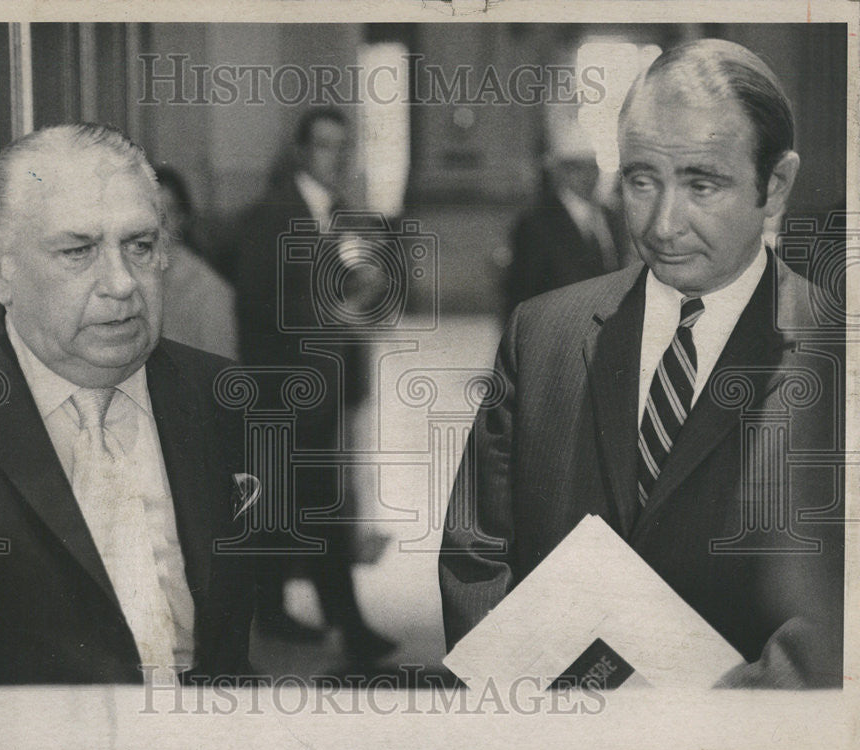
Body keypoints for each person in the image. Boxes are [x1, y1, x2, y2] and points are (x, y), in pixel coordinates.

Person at [439, 39, 843, 688]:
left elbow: (836, 627)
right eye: (641, 180)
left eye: (702, 183)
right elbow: (476, 553)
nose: (662, 224)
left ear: (776, 185)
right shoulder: (541, 333)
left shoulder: (836, 357)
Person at [0, 124, 255, 684]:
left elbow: (228, 641)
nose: (122, 283)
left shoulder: (220, 396)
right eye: (78, 250)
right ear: (0, 268)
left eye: (141, 245)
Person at [233, 107, 396, 665]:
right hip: (281, 395)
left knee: (302, 510)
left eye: (344, 147)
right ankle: (345, 626)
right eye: (326, 146)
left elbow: (346, 294)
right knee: (309, 510)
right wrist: (335, 313)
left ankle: (303, 617)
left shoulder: (342, 215)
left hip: (324, 391)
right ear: (301, 151)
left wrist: (362, 289)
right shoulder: (271, 215)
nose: (338, 157)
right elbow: (261, 305)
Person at [505, 123, 622, 317]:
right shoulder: (536, 223)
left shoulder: (610, 217)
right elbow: (520, 294)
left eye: (593, 167)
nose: (588, 176)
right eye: (578, 168)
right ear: (560, 172)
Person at [155, 165, 239, 359]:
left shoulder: (210, 292)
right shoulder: (127, 284)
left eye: (164, 219)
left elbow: (219, 377)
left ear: (182, 219)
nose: (152, 230)